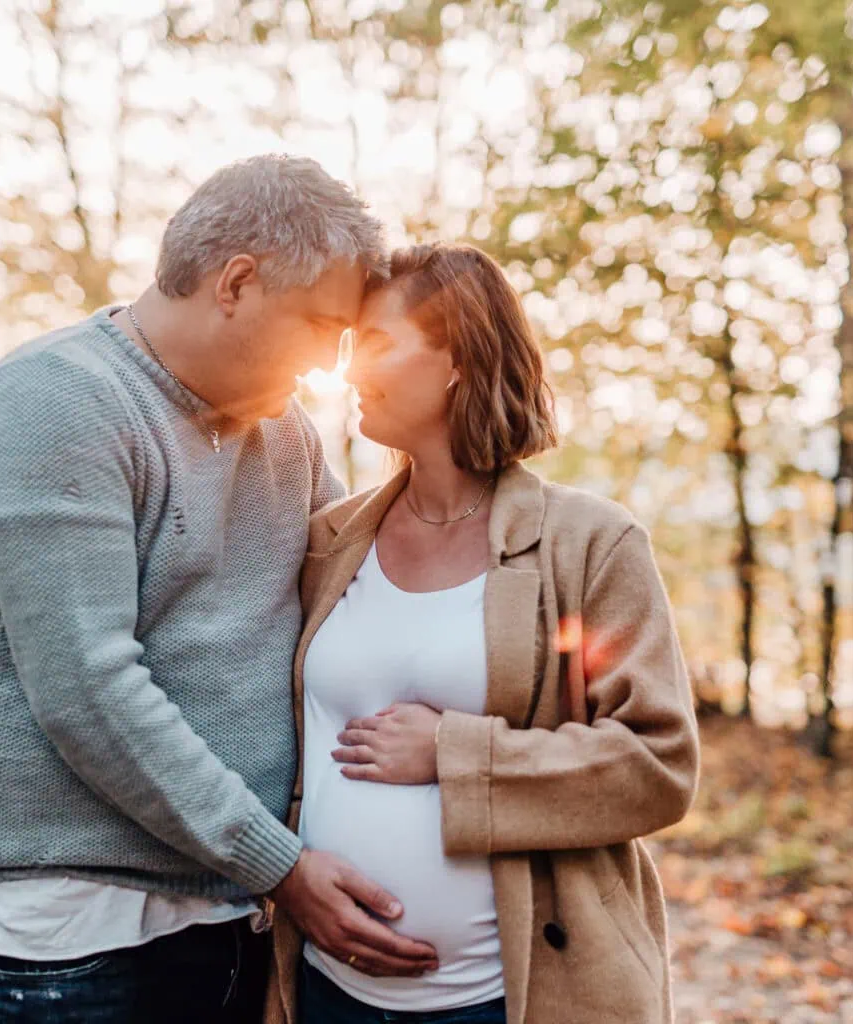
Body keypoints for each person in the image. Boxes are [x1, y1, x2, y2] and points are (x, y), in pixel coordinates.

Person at [0, 154, 438, 1024]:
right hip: (71, 938)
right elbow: (89, 688)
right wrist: (280, 863)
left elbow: (365, 599)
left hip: (232, 918)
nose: (329, 364)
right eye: (323, 325)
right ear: (237, 282)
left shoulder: (286, 437)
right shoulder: (57, 401)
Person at [266, 243, 701, 1024]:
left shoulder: (590, 545)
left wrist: (453, 754)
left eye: (373, 343)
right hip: (330, 991)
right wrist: (284, 873)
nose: (349, 370)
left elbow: (657, 764)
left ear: (458, 356)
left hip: (507, 998)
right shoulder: (329, 541)